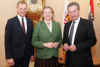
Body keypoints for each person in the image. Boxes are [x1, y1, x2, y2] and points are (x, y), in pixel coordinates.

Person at [63, 2, 97, 67]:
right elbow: (65, 39)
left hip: (83, 61)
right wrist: (64, 44)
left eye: (74, 11)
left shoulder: (88, 23)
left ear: (79, 11)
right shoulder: (67, 25)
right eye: (70, 12)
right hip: (69, 61)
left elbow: (92, 40)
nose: (72, 14)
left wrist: (77, 47)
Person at [5, 1, 34, 67]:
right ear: (17, 9)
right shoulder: (10, 22)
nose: (23, 11)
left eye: (24, 9)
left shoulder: (30, 22)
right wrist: (9, 57)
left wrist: (32, 54)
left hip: (26, 55)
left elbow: (31, 39)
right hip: (14, 55)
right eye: (21, 8)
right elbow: (7, 41)